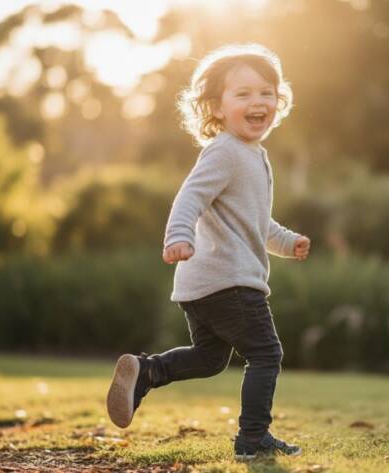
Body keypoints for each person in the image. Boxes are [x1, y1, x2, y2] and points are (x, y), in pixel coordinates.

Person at [105, 43, 311, 461]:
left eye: (267, 92)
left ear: (279, 101)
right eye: (243, 94)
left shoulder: (252, 155)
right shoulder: (226, 150)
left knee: (210, 359)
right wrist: (178, 236)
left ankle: (148, 371)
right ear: (217, 107)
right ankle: (253, 438)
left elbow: (256, 222)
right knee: (266, 354)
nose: (258, 101)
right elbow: (190, 197)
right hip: (230, 281)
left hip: (203, 284)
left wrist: (287, 242)